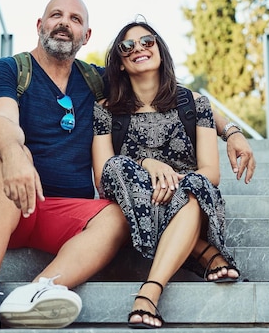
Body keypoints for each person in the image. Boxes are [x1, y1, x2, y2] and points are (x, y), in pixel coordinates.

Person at [0, 0, 256, 330]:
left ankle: (39, 291)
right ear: (40, 25)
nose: (64, 23)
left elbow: (174, 91)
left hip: (61, 212)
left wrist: (230, 131)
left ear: (86, 36)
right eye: (56, 15)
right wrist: (14, 154)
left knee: (116, 215)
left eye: (75, 19)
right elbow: (1, 122)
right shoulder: (9, 69)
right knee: (8, 155)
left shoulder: (93, 80)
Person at [92, 20, 240, 329]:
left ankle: (150, 292)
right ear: (119, 63)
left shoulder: (196, 104)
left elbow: (210, 173)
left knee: (194, 188)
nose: (139, 49)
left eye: (147, 41)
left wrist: (172, 181)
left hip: (190, 200)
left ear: (160, 48)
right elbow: (104, 179)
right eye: (127, 46)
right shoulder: (104, 110)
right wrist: (147, 164)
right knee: (118, 167)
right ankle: (204, 252)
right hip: (135, 204)